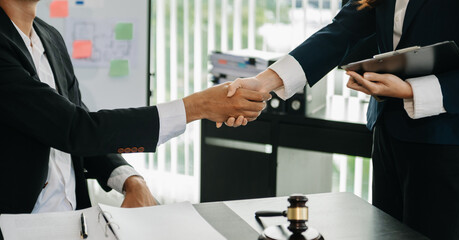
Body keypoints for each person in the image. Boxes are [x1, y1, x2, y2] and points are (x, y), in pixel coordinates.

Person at [0, 0, 269, 234]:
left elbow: (80, 132)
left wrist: (130, 179)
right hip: (18, 226)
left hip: (76, 223)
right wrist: (197, 106)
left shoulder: (50, 37)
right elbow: (76, 129)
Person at [222, 0, 459, 239]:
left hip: (444, 136)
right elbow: (343, 30)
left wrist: (411, 90)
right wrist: (263, 82)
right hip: (386, 129)